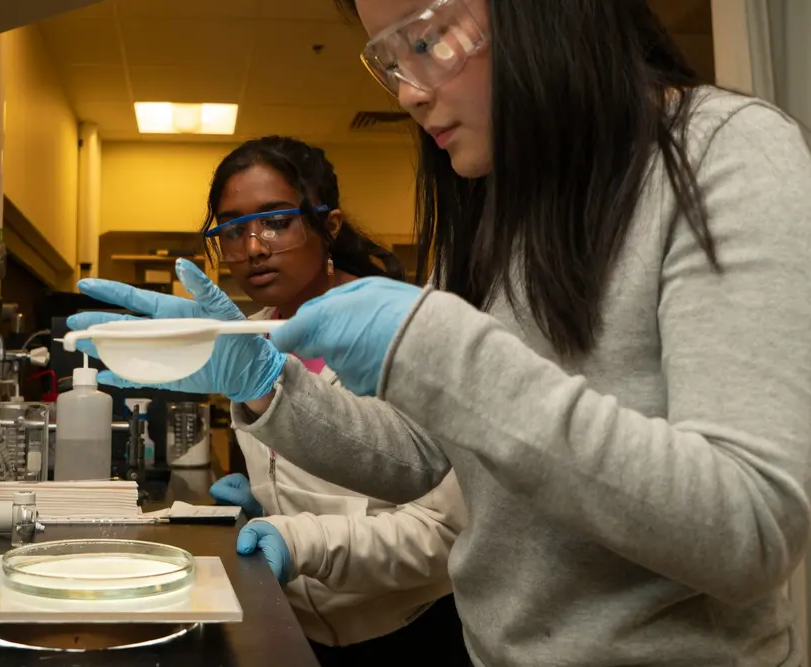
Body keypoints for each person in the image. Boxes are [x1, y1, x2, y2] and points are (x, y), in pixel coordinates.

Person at [70, 1, 811, 664]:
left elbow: (749, 527)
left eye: (426, 40)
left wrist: (438, 345)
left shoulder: (725, 153)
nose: (409, 91)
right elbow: (422, 454)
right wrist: (267, 383)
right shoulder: (493, 209)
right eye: (388, 61)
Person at [69, 136, 471, 666]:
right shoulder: (245, 341)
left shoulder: (408, 331)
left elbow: (445, 535)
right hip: (294, 628)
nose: (253, 247)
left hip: (407, 634)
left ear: (329, 226)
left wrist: (301, 541)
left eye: (276, 221)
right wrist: (267, 500)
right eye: (232, 231)